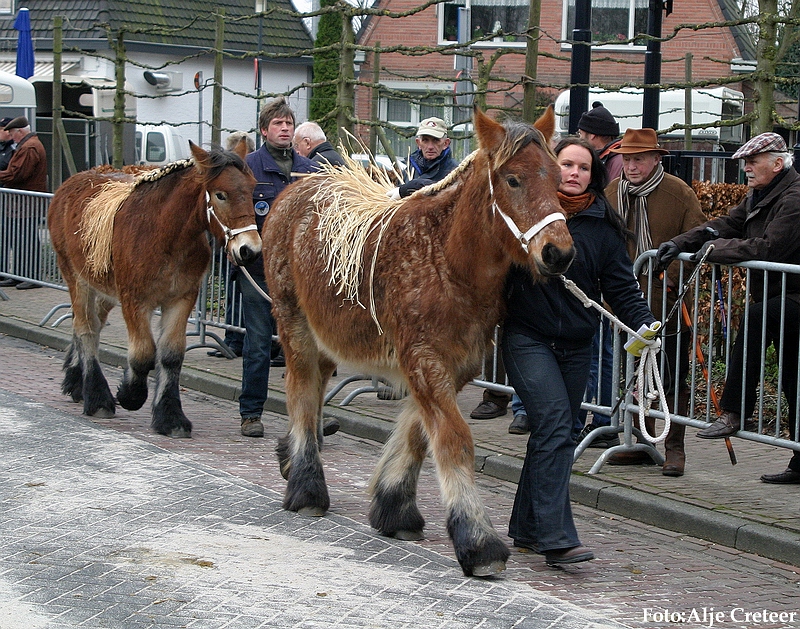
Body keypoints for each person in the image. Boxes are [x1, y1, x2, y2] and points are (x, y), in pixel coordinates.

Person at [503, 137, 656, 565]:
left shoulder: (603, 228)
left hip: (575, 345)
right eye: (566, 164)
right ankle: (556, 537)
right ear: (551, 169)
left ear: (594, 175)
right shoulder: (523, 217)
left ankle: (526, 528)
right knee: (553, 423)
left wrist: (645, 325)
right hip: (527, 338)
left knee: (559, 434)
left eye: (584, 168)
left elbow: (622, 288)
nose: (574, 173)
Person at [656, 132, 800, 484]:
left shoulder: (795, 197)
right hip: (775, 296)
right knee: (794, 380)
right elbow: (724, 225)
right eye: (745, 163)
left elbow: (771, 249)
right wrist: (682, 241)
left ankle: (734, 411)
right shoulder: (761, 194)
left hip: (794, 295)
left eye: (752, 162)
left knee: (756, 322)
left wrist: (715, 250)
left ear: (777, 163)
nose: (746, 169)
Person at [604, 128, 706, 477]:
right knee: (632, 376)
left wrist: (674, 272)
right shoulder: (613, 192)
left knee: (672, 376)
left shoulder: (679, 193)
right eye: (627, 159)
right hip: (625, 305)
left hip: (669, 305)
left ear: (656, 159)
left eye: (639, 159)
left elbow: (697, 241)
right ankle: (638, 440)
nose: (631, 166)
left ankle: (674, 447)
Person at [240, 98, 339, 439]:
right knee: (257, 344)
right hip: (259, 270)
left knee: (308, 348)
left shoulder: (310, 170)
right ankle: (251, 413)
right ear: (264, 130)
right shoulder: (248, 168)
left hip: (302, 274)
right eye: (278, 123)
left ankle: (310, 416)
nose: (285, 128)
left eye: (289, 123)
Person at [208, 132, 257, 360]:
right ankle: (234, 338)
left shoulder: (242, 175)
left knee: (238, 296)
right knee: (235, 294)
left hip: (242, 242)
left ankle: (235, 339)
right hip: (237, 240)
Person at [0, 117, 48, 291]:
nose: (12, 138)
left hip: (26, 204)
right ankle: (20, 275)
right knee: (20, 239)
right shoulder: (28, 146)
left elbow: (17, 174)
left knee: (25, 239)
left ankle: (31, 276)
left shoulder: (29, 147)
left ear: (20, 132)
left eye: (13, 134)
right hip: (22, 204)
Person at [390, 117, 457, 199]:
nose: (430, 147)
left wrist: (415, 185)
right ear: (418, 143)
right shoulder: (409, 170)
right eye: (425, 140)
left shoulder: (455, 172)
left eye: (436, 140)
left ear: (446, 143)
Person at [577, 102, 623, 183]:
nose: (579, 139)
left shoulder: (618, 162)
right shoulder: (610, 159)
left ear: (592, 135)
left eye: (580, 133)